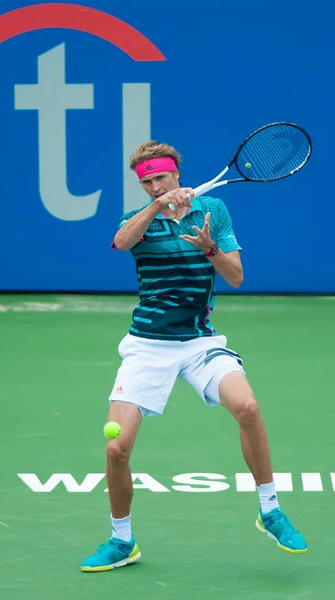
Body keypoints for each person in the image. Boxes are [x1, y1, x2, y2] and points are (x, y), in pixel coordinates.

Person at [80, 141, 307, 573]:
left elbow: (236, 277)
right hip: (147, 345)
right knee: (117, 449)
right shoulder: (137, 219)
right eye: (145, 181)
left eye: (160, 178)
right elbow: (122, 242)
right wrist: (157, 206)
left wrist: (209, 247)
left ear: (177, 174)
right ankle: (121, 540)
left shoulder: (213, 211)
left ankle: (270, 510)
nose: (153, 185)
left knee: (248, 407)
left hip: (200, 342)